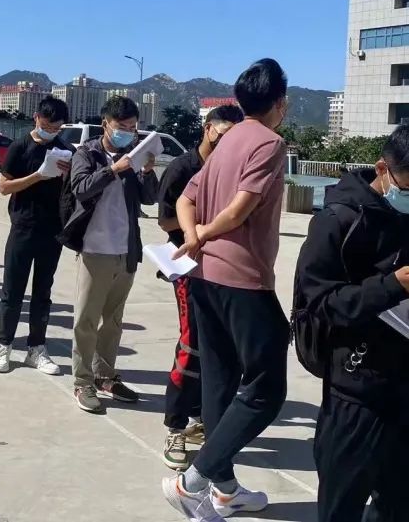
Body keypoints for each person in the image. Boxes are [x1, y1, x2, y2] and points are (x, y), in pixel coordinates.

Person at [164, 59, 289, 521]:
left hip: (203, 278)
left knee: (219, 382)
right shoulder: (270, 143)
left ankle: (225, 490)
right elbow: (239, 211)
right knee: (266, 388)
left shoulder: (228, 138)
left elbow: (185, 198)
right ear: (280, 103)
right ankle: (192, 481)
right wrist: (201, 235)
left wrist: (192, 236)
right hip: (242, 279)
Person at [295, 127, 409, 522]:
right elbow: (318, 303)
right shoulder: (338, 221)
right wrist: (392, 285)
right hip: (357, 390)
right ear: (382, 169)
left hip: (404, 387)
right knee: (341, 505)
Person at [156, 104, 244, 470]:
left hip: (223, 268)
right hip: (188, 266)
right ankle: (175, 426)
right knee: (191, 345)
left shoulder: (234, 168)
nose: (227, 144)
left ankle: (204, 417)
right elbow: (165, 220)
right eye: (222, 135)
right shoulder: (183, 168)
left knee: (220, 347)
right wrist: (199, 228)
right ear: (208, 129)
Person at [60, 95, 159, 413]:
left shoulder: (134, 155)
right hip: (95, 250)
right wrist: (114, 170)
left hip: (126, 249)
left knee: (113, 320)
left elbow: (149, 199)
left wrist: (146, 172)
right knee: (86, 320)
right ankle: (82, 381)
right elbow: (81, 188)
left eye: (133, 127)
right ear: (105, 124)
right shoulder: (87, 153)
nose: (128, 133)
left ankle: (105, 375)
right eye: (122, 127)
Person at [0, 95, 72, 376]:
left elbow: (73, 189)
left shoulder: (65, 149)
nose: (51, 132)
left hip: (52, 230)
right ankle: (4, 344)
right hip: (23, 227)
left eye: (56, 128)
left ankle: (36, 348)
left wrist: (66, 176)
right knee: (12, 290)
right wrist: (38, 175)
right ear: (36, 118)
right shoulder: (20, 146)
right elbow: (4, 187)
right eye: (47, 126)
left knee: (43, 292)